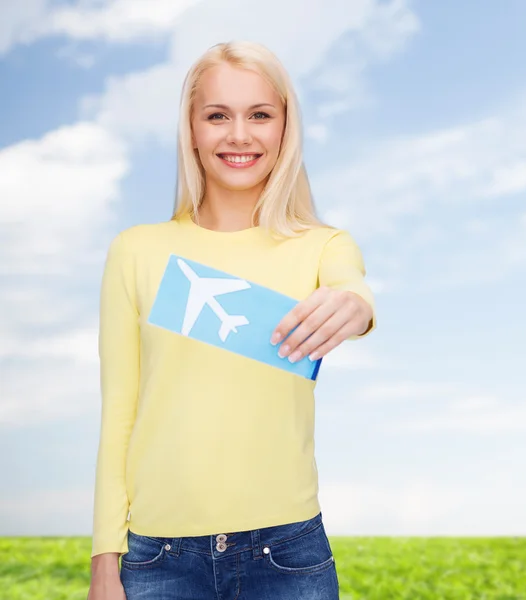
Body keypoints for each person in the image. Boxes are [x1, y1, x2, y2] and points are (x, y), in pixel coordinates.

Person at [87, 40, 376, 600]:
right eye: (218, 115)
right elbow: (119, 412)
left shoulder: (321, 247)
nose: (239, 134)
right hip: (158, 559)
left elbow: (351, 286)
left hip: (287, 556)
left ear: (284, 130)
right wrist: (105, 563)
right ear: (191, 129)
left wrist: (357, 306)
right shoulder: (137, 252)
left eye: (260, 115)